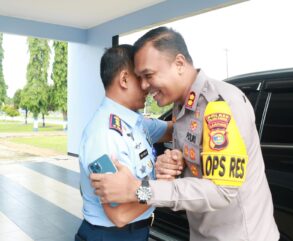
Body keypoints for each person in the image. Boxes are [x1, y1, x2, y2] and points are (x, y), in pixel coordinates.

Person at [90, 27, 280, 241]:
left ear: (179, 64)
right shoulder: (182, 107)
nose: (143, 85)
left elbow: (221, 191)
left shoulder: (220, 105)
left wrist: (138, 189)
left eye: (148, 75)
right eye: (139, 77)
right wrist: (173, 167)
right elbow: (195, 172)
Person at [75, 44, 178, 241]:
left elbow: (172, 130)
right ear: (124, 79)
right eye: (142, 77)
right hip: (112, 235)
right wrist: (161, 185)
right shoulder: (105, 134)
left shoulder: (136, 123)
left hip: (135, 232)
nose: (149, 85)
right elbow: (119, 215)